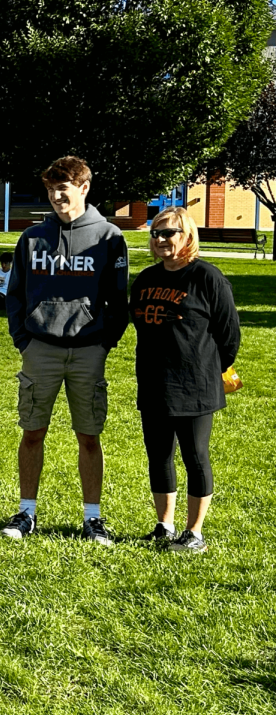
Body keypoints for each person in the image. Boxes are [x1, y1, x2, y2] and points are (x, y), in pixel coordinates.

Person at [3, 155, 129, 545]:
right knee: (32, 431)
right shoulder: (32, 238)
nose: (57, 196)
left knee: (89, 435)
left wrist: (104, 342)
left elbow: (118, 301)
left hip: (88, 350)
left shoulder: (109, 237)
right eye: (51, 189)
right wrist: (24, 340)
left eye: (63, 188)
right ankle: (26, 512)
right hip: (40, 348)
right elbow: (15, 295)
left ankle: (92, 518)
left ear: (84, 188)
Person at [131, 207, 239, 553]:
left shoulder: (207, 277)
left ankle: (194, 533)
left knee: (195, 456)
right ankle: (164, 526)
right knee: (159, 456)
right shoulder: (146, 279)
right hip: (154, 382)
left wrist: (207, 368)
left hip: (196, 385)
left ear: (187, 235)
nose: (161, 240)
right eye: (156, 234)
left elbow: (229, 335)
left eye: (169, 233)